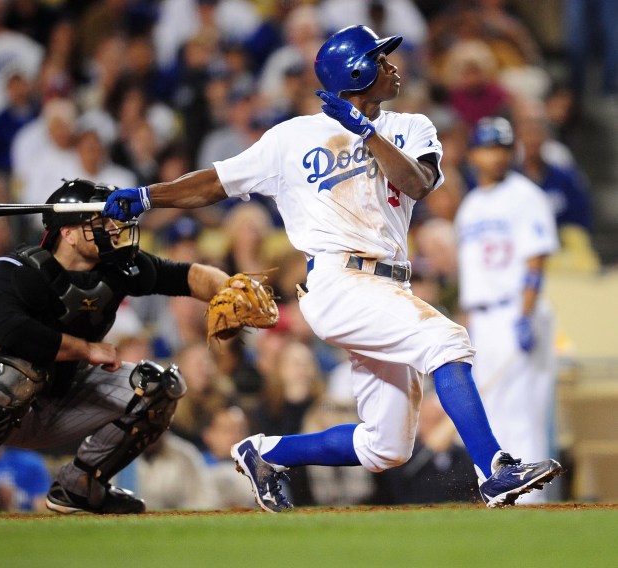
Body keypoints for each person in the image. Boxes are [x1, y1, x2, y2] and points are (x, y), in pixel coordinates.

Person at [104, 25, 563, 512]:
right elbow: (216, 182)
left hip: (389, 286)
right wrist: (148, 197)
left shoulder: (410, 128)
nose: (392, 66)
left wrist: (366, 133)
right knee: (447, 342)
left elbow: (419, 183)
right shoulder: (291, 137)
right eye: (381, 59)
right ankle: (493, 470)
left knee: (387, 446)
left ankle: (265, 452)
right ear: (358, 71)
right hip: (339, 281)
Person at [0, 179, 234, 518]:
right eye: (99, 222)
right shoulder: (15, 270)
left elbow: (184, 276)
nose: (112, 228)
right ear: (68, 233)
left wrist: (230, 289)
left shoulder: (118, 267)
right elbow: (13, 334)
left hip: (54, 392)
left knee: (159, 386)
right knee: (24, 365)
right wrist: (86, 349)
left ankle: (81, 485)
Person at [455, 117, 559, 503]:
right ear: (473, 154)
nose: (496, 156)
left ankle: (532, 501)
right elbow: (471, 275)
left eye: (502, 148)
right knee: (492, 409)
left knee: (523, 410)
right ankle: (501, 493)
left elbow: (536, 260)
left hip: (515, 312)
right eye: (489, 148)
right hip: (482, 318)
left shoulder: (525, 195)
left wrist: (525, 315)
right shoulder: (470, 205)